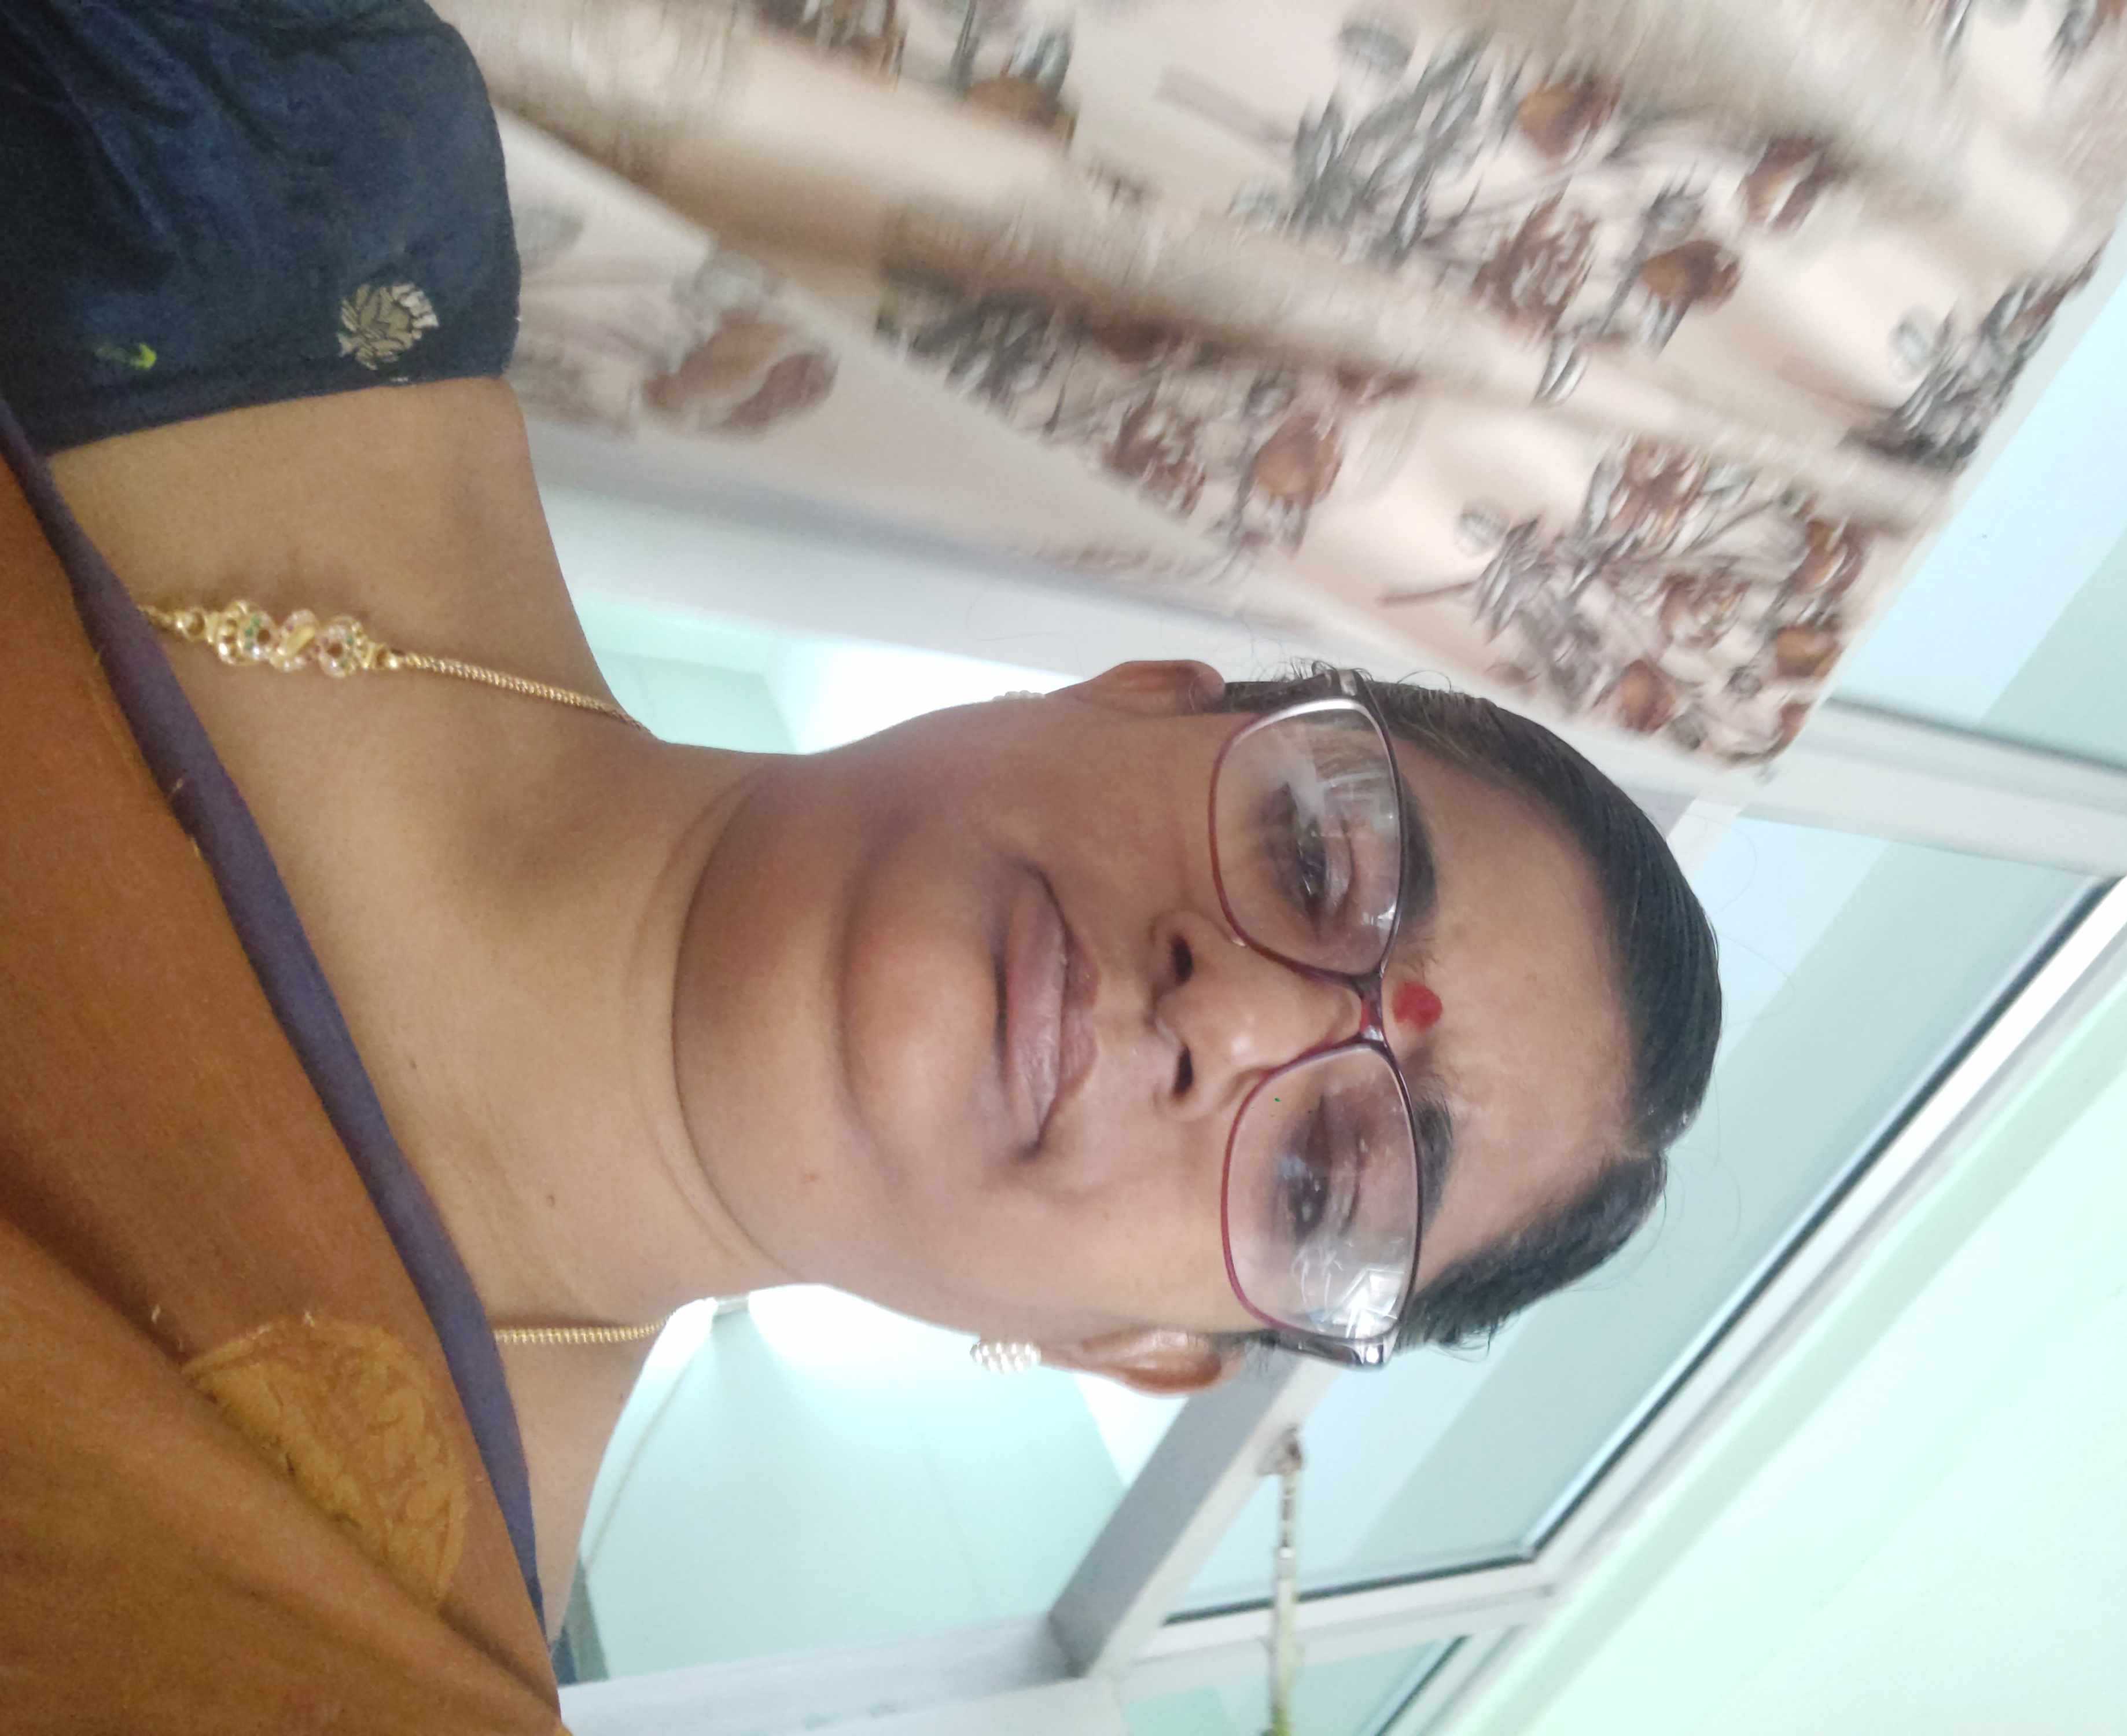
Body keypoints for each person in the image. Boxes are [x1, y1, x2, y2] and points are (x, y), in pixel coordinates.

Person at [0, 1, 1717, 1726]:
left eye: (1319, 1185)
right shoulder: (284, 155)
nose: (1243, 1017)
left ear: (1132, 1349)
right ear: (1137, 694)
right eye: (1323, 862)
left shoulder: (331, 1667)